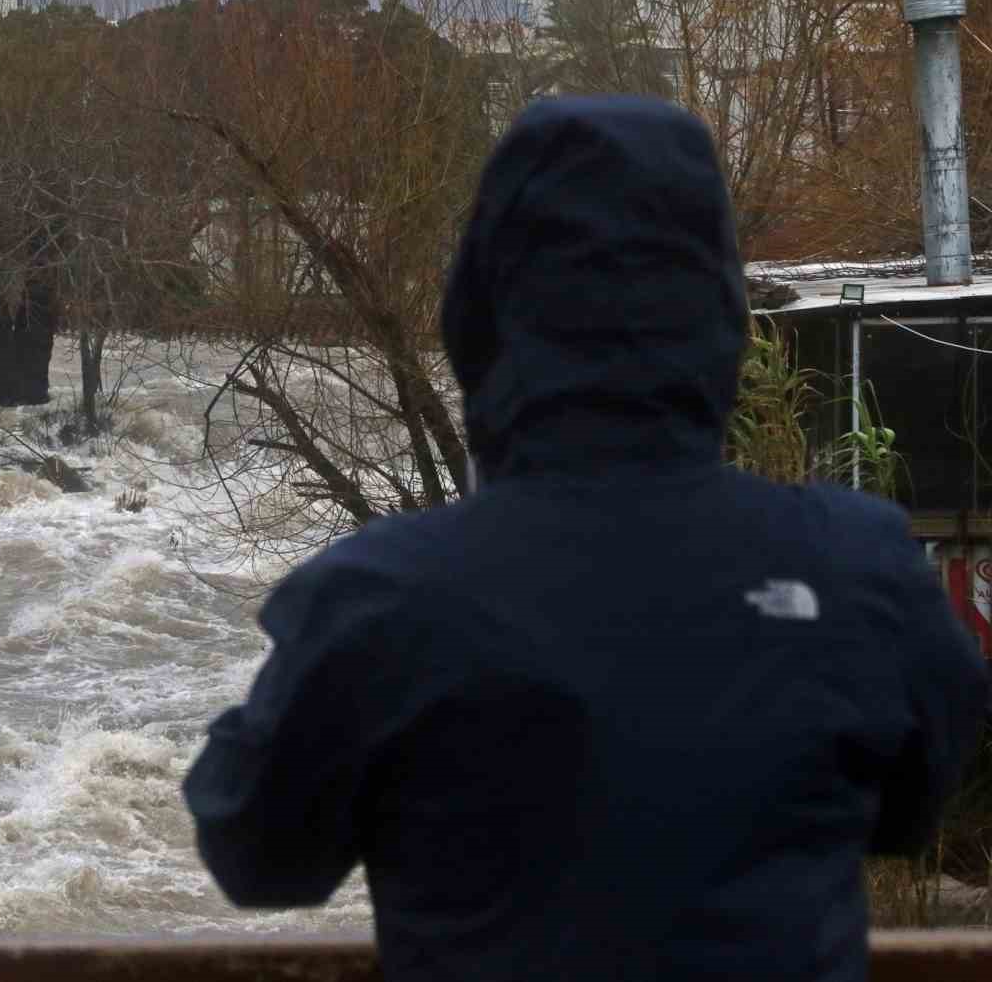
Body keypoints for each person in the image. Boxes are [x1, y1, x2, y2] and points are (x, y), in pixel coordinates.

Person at [182, 95, 989, 982]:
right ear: (722, 315)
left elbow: (257, 851)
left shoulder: (382, 601)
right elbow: (911, 808)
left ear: (481, 315)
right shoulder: (857, 572)